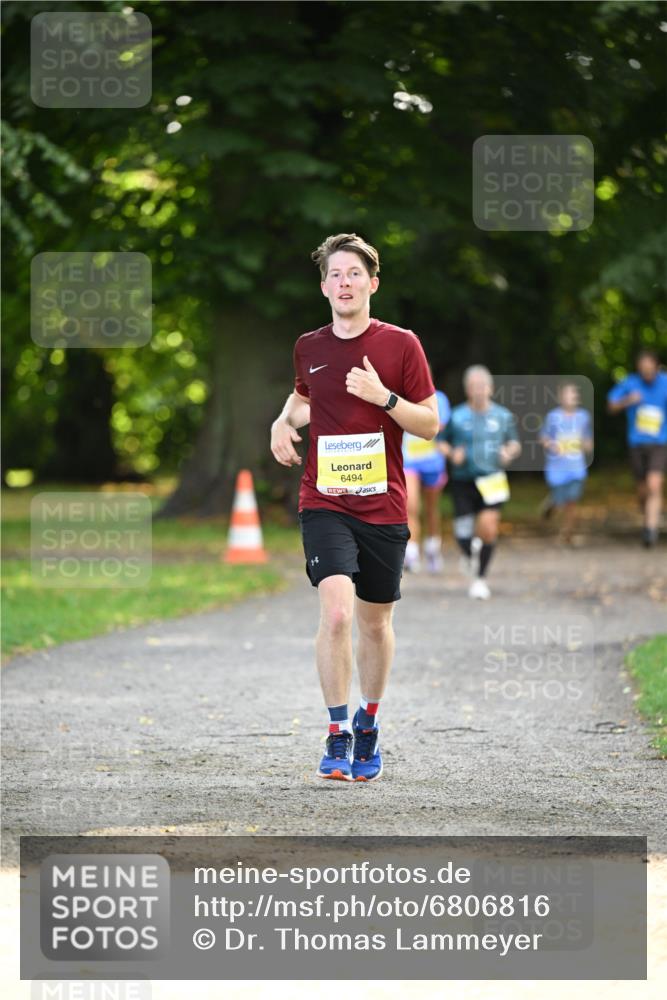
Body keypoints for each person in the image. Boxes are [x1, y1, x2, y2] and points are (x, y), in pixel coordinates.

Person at [270, 233, 438, 782]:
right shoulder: (309, 346)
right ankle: (338, 731)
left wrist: (382, 397)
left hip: (383, 505)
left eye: (354, 274)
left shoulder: (401, 345)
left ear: (373, 283)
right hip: (324, 500)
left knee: (375, 623)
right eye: (335, 274)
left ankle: (369, 721)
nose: (344, 282)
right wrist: (280, 423)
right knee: (337, 613)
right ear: (324, 287)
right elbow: (303, 399)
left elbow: (430, 424)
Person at [439, 365, 521, 600]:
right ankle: (468, 553)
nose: (479, 390)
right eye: (474, 386)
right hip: (463, 481)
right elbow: (441, 441)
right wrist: (452, 454)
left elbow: (515, 443)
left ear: (491, 388)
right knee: (463, 534)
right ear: (467, 390)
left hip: (492, 479)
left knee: (489, 528)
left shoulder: (503, 416)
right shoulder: (457, 416)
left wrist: (508, 452)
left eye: (483, 386)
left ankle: (480, 579)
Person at [607, 349, 667, 547]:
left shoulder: (665, 382)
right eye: (643, 369)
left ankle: (650, 530)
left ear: (657, 367)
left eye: (650, 369)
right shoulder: (630, 383)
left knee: (654, 484)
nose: (647, 372)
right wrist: (628, 400)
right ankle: (647, 513)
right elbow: (611, 406)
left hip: (660, 443)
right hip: (637, 444)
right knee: (643, 490)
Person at [402, 388, 451, 573]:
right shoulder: (399, 395)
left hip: (433, 461)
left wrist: (412, 417)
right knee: (411, 506)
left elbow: (439, 425)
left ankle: (432, 548)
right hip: (409, 461)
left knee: (431, 509)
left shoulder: (439, 398)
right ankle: (412, 552)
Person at [539, 381, 593, 544]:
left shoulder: (583, 417)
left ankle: (567, 533)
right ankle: (552, 504)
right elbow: (543, 438)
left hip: (576, 468)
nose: (572, 397)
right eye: (568, 394)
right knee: (560, 502)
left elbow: (588, 441)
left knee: (572, 501)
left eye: (574, 394)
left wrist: (585, 445)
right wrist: (552, 445)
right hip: (557, 468)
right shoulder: (553, 417)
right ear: (561, 398)